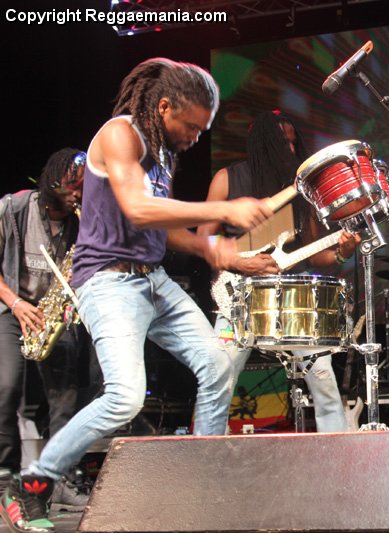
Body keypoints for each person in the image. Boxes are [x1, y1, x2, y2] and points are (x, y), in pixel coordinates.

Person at [1, 58, 273, 533]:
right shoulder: (120, 135)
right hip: (108, 284)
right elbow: (139, 208)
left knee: (217, 365)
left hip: (153, 280)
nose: (195, 138)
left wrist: (217, 251)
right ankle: (33, 482)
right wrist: (225, 209)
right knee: (125, 396)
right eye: (191, 126)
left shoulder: (164, 153)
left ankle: (205, 482)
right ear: (164, 107)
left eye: (202, 129)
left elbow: (160, 228)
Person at [198, 110, 359, 433]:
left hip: (293, 300)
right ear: (262, 143)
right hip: (240, 296)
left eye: (293, 142)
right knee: (217, 382)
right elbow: (203, 239)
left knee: (324, 381)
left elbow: (315, 255)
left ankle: (338, 452)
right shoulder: (228, 179)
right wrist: (240, 263)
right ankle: (203, 451)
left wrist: (342, 251)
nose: (290, 149)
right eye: (282, 142)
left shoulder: (302, 191)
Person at [0, 148, 100, 517]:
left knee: (66, 401)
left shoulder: (81, 220)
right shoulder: (13, 208)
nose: (78, 194)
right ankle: (5, 478)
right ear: (53, 181)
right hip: (13, 309)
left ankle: (57, 481)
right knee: (6, 387)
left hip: (53, 314)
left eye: (84, 188)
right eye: (73, 186)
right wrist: (15, 303)